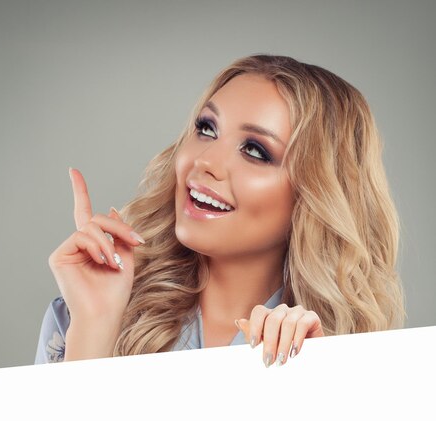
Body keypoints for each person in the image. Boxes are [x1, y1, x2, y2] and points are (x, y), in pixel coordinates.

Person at [35, 54, 404, 366]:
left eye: (255, 150)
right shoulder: (78, 318)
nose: (206, 161)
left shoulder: (342, 349)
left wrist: (318, 376)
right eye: (207, 129)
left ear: (316, 194)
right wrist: (96, 326)